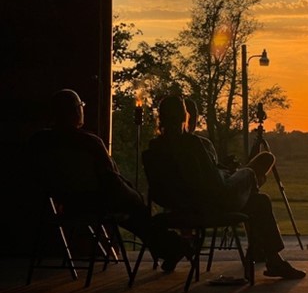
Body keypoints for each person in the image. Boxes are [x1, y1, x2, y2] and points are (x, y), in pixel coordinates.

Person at [143, 95, 305, 280]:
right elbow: (212, 184)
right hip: (212, 203)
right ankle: (266, 255)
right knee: (252, 172)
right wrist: (232, 174)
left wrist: (220, 170)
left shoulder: (154, 149)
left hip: (184, 206)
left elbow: (187, 181)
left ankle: (270, 256)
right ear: (184, 116)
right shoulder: (192, 144)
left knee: (258, 202)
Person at [28, 88, 188, 271]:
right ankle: (174, 245)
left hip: (65, 204)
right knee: (137, 211)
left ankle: (172, 247)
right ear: (75, 111)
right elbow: (111, 178)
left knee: (135, 219)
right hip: (97, 202)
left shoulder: (38, 142)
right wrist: (133, 194)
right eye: (80, 106)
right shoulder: (89, 143)